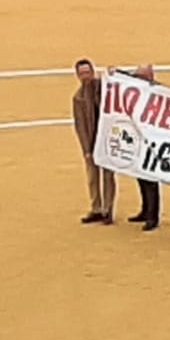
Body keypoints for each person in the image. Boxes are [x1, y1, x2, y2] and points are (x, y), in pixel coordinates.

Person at [72, 59, 113, 224]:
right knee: (93, 177)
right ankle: (96, 208)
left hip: (107, 140)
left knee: (108, 176)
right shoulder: (78, 98)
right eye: (82, 73)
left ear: (93, 72)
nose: (85, 76)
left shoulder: (105, 87)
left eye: (87, 72)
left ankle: (108, 210)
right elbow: (80, 126)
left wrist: (114, 74)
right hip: (92, 141)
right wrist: (86, 150)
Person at [123, 64, 160, 229]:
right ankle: (146, 210)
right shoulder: (139, 89)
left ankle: (152, 216)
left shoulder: (159, 93)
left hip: (152, 142)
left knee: (150, 179)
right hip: (139, 140)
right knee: (141, 177)